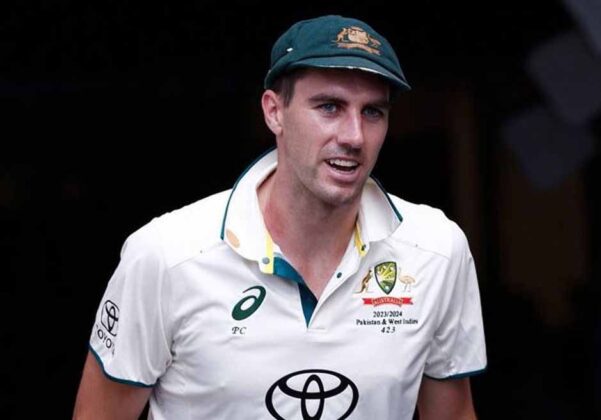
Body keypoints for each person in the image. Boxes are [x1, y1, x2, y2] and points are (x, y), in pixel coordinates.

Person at [73, 15, 486, 420]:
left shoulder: (437, 251)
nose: (354, 136)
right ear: (274, 112)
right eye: (329, 107)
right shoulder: (166, 256)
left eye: (373, 112)